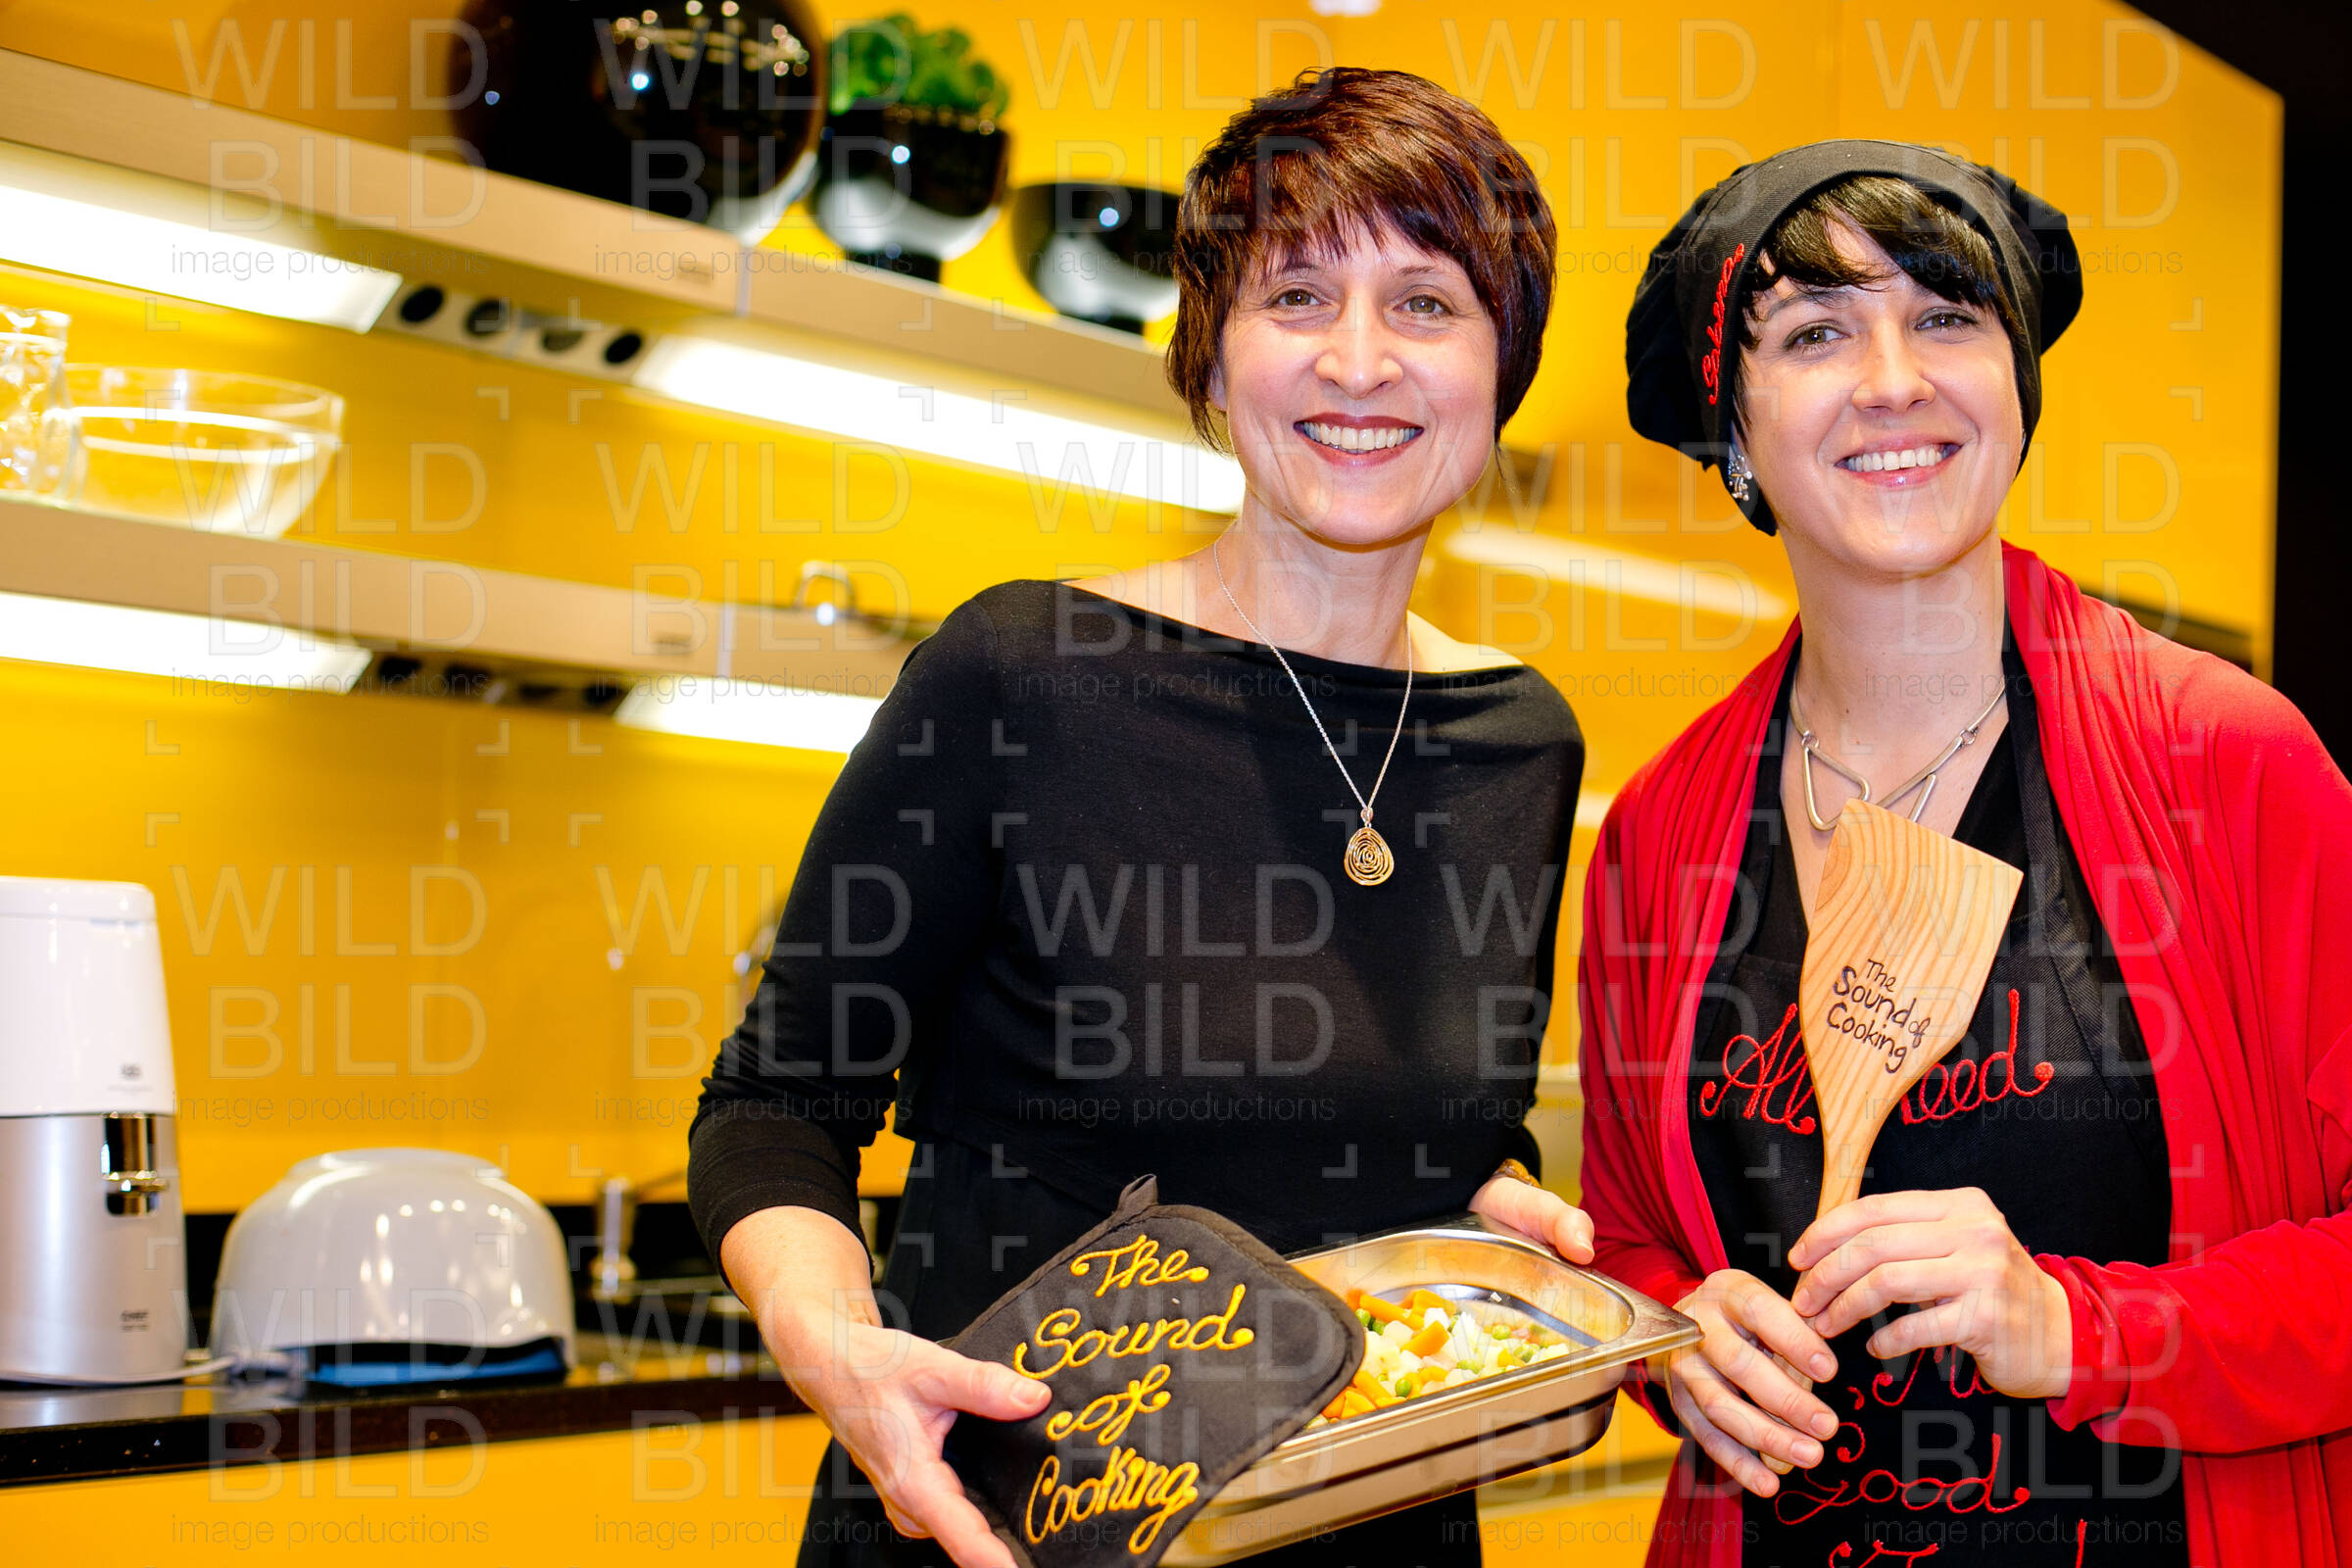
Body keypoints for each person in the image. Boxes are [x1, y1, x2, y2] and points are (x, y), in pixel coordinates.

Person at [690, 67, 1594, 1568]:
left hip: (1369, 1526)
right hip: (1015, 1521)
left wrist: (1503, 1221)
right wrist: (833, 1344)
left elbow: (1442, 1129)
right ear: (1210, 359)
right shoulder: (1024, 675)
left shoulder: (1520, 741)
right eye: (1296, 296)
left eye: (1427, 304)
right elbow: (777, 1103)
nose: (1358, 360)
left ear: (1501, 370)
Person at [1583, 139, 2352, 1567]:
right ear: (1733, 431)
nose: (1894, 380)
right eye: (1814, 334)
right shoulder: (1659, 833)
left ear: (2017, 388)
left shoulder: (2226, 763)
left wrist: (2077, 1326)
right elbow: (1631, 1238)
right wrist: (1671, 1340)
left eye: (1947, 316)